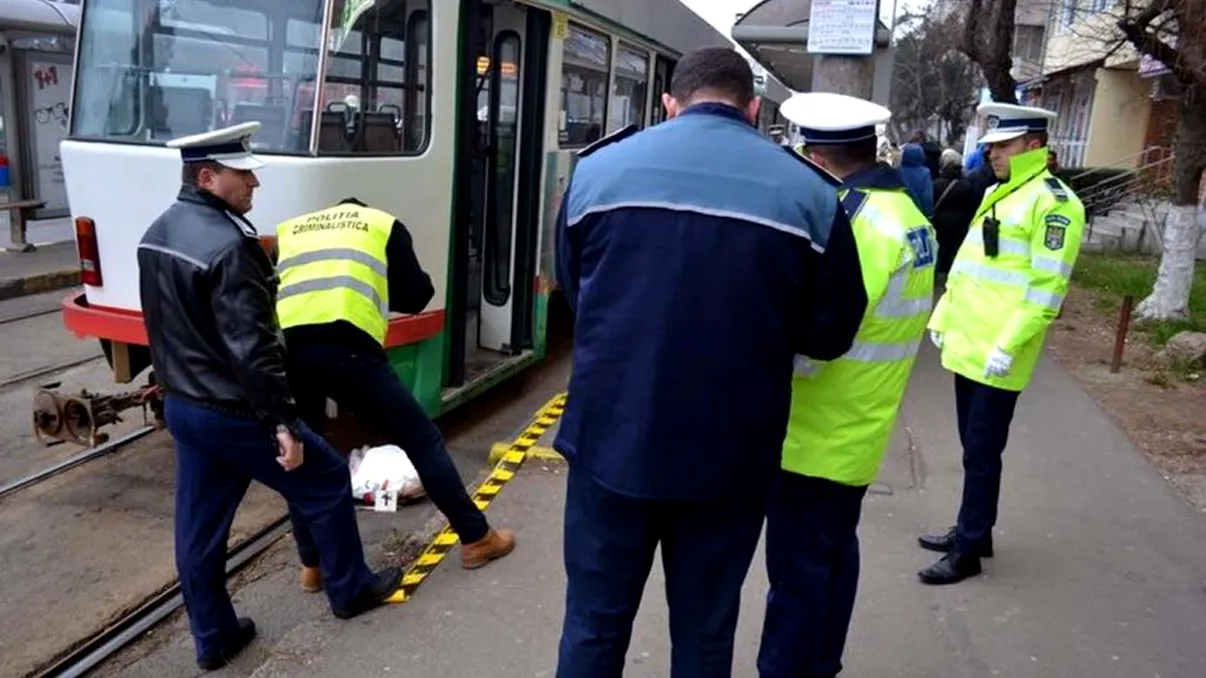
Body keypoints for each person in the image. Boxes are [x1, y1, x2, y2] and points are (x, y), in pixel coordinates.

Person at [553, 47, 867, 678]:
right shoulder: (811, 195)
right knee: (704, 634)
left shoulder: (596, 173)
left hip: (611, 444)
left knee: (592, 625)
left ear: (670, 104)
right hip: (732, 457)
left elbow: (576, 291)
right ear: (752, 109)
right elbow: (831, 332)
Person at [138, 122, 402, 671]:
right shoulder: (230, 248)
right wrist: (282, 422)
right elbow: (252, 348)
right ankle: (351, 590)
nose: (253, 182)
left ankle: (214, 637)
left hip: (184, 406)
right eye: (242, 173)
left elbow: (163, 327)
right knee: (326, 479)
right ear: (207, 178)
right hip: (232, 409)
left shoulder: (156, 232)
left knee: (198, 529)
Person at [757, 92, 936, 678]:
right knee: (833, 555)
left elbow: (818, 331)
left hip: (813, 429)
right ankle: (822, 663)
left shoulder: (853, 224)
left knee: (797, 575)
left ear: (815, 157)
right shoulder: (908, 216)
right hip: (861, 423)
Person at [274, 198, 516, 592]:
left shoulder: (293, 229)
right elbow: (416, 295)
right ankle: (476, 538)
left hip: (293, 353)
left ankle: (312, 566)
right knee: (421, 439)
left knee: (304, 452)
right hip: (350, 349)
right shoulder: (381, 224)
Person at [921, 102, 1086, 585]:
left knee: (982, 451)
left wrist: (1009, 346)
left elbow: (1046, 289)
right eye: (991, 145)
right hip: (970, 344)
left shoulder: (1054, 204)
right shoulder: (1000, 192)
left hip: (999, 351)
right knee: (973, 449)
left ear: (1034, 145)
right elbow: (969, 267)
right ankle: (975, 530)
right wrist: (944, 316)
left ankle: (969, 549)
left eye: (1003, 145)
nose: (992, 153)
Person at [932, 148, 979, 277]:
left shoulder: (935, 184)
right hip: (960, 224)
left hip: (940, 223)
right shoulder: (966, 185)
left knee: (940, 248)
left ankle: (938, 274)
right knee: (955, 249)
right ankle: (952, 273)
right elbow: (970, 206)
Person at [899, 143, 935, 217]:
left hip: (899, 211)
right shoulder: (925, 173)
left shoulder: (897, 171)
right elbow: (927, 197)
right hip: (917, 213)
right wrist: (928, 213)